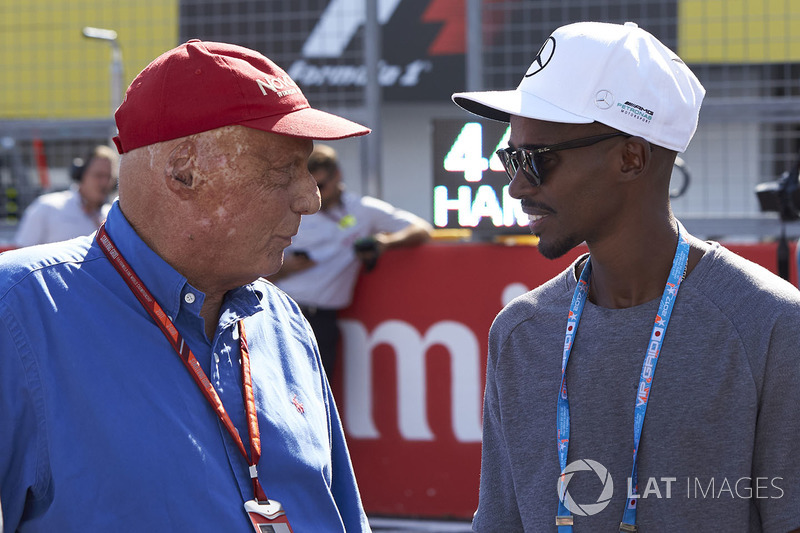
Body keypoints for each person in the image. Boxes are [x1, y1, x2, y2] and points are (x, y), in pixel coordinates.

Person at [0, 40, 374, 532]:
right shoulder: (20, 312)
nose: (310, 197)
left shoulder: (281, 320)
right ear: (184, 170)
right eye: (283, 170)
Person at [452, 21, 800, 532]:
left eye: (536, 159)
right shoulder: (520, 332)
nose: (517, 186)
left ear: (631, 157)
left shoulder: (769, 325)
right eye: (510, 158)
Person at [270, 143, 432, 378]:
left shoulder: (361, 210)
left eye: (321, 186)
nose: (315, 194)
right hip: (280, 313)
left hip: (322, 320)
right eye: (310, 185)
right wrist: (281, 269)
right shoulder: (290, 210)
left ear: (337, 176)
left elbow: (421, 229)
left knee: (314, 396)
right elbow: (246, 264)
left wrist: (384, 243)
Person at [14, 144, 117, 247]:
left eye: (108, 177)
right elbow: (20, 252)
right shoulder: (47, 207)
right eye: (98, 175)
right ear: (80, 175)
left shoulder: (111, 216)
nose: (104, 183)